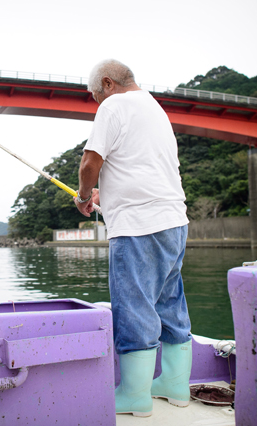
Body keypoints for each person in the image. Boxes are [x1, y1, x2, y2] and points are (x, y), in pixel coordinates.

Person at [74, 59, 192, 417]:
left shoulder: (113, 105)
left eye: (95, 95)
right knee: (170, 303)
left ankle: (135, 396)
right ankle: (174, 384)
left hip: (138, 226)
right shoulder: (154, 108)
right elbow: (141, 168)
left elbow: (89, 164)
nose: (97, 102)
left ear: (107, 84)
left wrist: (82, 196)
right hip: (174, 221)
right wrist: (102, 196)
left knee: (134, 307)